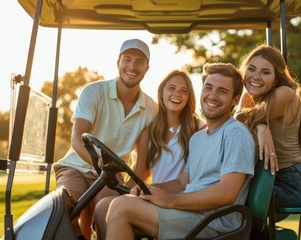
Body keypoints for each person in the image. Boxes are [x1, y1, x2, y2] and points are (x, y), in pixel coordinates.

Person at [95, 62, 255, 240]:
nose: (212, 95)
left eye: (222, 91)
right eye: (208, 88)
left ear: (235, 100)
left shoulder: (235, 133)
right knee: (104, 206)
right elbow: (181, 183)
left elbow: (227, 194)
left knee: (121, 207)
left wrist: (171, 200)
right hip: (189, 213)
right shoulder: (198, 138)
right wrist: (147, 189)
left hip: (213, 221)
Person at [53, 39, 157, 239]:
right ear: (118, 62)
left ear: (147, 68)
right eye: (127, 59)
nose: (132, 66)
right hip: (75, 166)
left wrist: (125, 192)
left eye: (139, 62)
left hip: (110, 175)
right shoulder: (94, 91)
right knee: (66, 207)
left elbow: (142, 166)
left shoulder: (151, 109)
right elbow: (77, 139)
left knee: (107, 210)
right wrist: (98, 163)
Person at [235, 44, 301, 208]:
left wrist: (260, 124)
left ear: (276, 80)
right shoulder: (250, 98)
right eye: (251, 69)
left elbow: (247, 117)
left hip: (294, 184)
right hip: (265, 177)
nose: (256, 76)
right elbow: (237, 125)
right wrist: (261, 126)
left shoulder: (285, 92)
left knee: (236, 198)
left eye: (265, 72)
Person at [127, 69, 206, 187]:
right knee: (106, 203)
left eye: (183, 91)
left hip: (183, 197)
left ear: (189, 97)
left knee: (105, 205)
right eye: (171, 88)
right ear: (162, 92)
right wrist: (122, 190)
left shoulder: (199, 128)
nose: (177, 94)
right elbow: (140, 173)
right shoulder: (149, 132)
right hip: (154, 195)